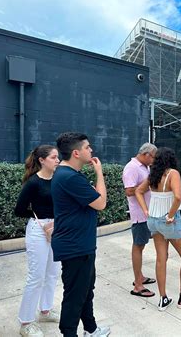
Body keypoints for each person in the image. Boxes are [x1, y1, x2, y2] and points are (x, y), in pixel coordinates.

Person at [51, 132, 110, 337]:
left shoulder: (69, 175)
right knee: (75, 296)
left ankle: (91, 329)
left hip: (80, 244)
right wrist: (99, 173)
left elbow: (92, 200)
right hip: (75, 246)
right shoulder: (69, 177)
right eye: (87, 147)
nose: (91, 150)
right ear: (76, 153)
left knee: (85, 291)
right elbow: (101, 203)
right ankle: (69, 333)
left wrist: (94, 193)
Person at [135, 147, 181, 311]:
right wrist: (171, 215)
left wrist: (146, 210)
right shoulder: (173, 174)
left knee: (161, 258)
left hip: (153, 220)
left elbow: (138, 191)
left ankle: (163, 298)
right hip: (168, 221)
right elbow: (178, 197)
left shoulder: (153, 175)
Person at [15, 145, 61, 337]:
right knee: (36, 277)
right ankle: (26, 323)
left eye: (58, 157)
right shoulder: (33, 183)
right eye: (53, 157)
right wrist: (39, 219)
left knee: (53, 272)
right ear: (42, 160)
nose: (58, 160)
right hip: (38, 230)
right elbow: (19, 210)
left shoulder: (58, 179)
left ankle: (45, 310)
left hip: (57, 228)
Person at [122, 143, 157, 298]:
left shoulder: (144, 167)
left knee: (141, 246)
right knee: (138, 246)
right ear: (147, 154)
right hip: (139, 216)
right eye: (153, 157)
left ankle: (140, 277)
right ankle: (138, 285)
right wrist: (147, 185)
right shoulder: (132, 168)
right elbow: (129, 191)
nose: (153, 161)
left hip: (147, 214)